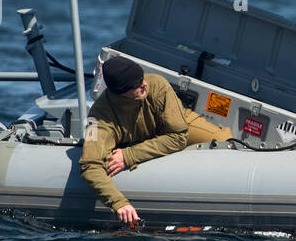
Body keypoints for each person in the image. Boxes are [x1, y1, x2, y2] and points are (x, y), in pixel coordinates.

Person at [79, 56, 232, 226]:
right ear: (122, 92)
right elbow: (90, 165)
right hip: (134, 137)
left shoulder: (157, 84)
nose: (144, 84)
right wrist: (118, 202)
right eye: (137, 85)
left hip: (175, 124)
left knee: (224, 142)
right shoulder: (98, 118)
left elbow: (178, 136)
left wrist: (129, 155)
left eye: (142, 78)